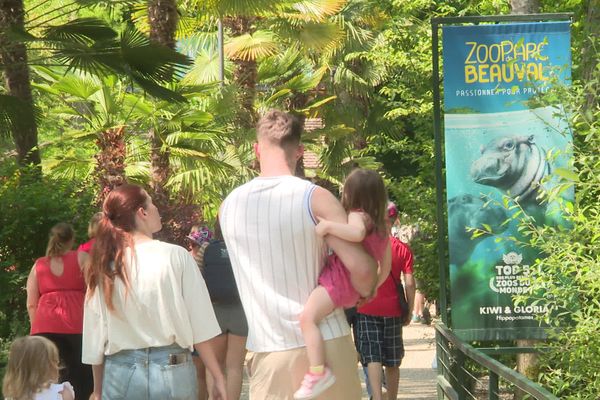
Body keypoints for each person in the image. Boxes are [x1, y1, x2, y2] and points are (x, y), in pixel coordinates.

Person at [220, 109, 378, 400]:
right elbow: (363, 272)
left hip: (270, 350)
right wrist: (366, 289)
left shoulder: (229, 207)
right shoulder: (315, 198)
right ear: (300, 151)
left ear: (256, 150)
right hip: (328, 341)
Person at [81, 184, 227, 400]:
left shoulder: (105, 264)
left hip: (120, 373)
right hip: (173, 370)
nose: (157, 208)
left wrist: (98, 389)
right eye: (152, 202)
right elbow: (200, 324)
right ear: (142, 212)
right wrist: (217, 376)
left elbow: (95, 334)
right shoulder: (176, 256)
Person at [294, 168, 392, 399]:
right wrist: (374, 288)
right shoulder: (382, 227)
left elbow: (356, 233)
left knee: (307, 318)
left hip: (340, 280)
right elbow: (386, 266)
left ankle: (318, 371)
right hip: (354, 290)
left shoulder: (358, 215)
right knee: (312, 317)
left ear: (351, 193)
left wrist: (327, 227)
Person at [355, 201, 416, 400]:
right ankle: (392, 398)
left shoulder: (365, 246)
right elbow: (409, 283)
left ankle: (376, 396)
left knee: (372, 356)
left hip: (366, 307)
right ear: (395, 220)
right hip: (392, 310)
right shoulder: (402, 249)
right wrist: (409, 309)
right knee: (392, 360)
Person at [26, 222, 93, 399]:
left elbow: (31, 303)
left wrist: (37, 330)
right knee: (81, 378)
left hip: (44, 328)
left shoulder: (38, 265)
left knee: (46, 380)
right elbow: (94, 292)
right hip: (77, 327)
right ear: (71, 240)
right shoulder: (82, 258)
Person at [198, 221, 248, 400]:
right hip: (240, 311)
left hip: (215, 310)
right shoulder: (243, 247)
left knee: (214, 365)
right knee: (235, 367)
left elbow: (198, 277)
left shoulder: (206, 248)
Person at [186, 225, 214, 400]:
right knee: (199, 374)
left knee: (204, 373)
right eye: (190, 243)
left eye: (195, 244)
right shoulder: (188, 260)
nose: (191, 247)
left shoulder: (197, 264)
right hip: (199, 324)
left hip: (203, 325)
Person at [2, 335, 75, 400]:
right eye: (55, 361)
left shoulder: (13, 396)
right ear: (45, 367)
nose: (58, 366)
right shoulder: (61, 393)